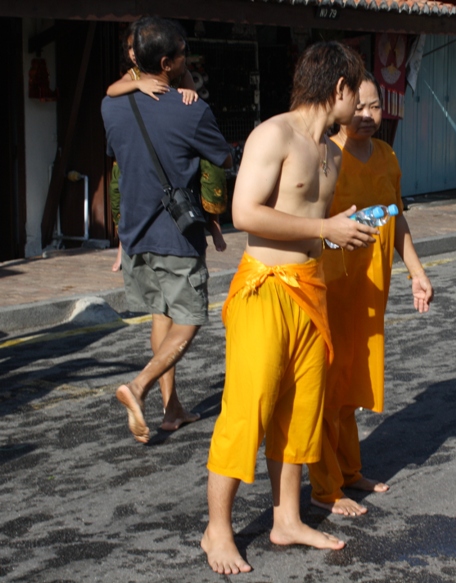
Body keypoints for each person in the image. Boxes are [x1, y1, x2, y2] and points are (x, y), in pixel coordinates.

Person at [201, 41, 374, 575]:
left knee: (301, 407)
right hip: (266, 288)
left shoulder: (333, 151)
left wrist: (340, 229)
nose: (365, 107)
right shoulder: (273, 134)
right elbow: (245, 212)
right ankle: (217, 529)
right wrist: (324, 227)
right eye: (359, 94)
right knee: (248, 407)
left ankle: (287, 519)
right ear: (339, 89)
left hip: (310, 285)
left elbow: (306, 215)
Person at [306, 73, 434, 517]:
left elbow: (396, 218)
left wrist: (416, 271)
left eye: (375, 106)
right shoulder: (324, 156)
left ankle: (347, 469)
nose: (366, 115)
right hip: (331, 289)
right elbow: (310, 225)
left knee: (352, 382)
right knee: (327, 385)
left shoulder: (387, 155)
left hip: (370, 292)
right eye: (358, 106)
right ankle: (325, 487)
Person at [102, 17, 232, 442]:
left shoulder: (112, 105)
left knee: (163, 313)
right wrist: (189, 87)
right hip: (176, 234)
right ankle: (137, 386)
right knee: (191, 318)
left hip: (137, 233)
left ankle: (171, 408)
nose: (186, 59)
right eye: (182, 55)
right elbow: (222, 158)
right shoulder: (191, 109)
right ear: (167, 62)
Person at [108, 22, 227, 273]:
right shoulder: (133, 77)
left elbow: (193, 102)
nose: (132, 52)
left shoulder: (181, 75)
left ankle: (213, 221)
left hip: (173, 147)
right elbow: (112, 90)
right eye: (129, 47)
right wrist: (138, 85)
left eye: (135, 47)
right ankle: (121, 243)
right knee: (118, 184)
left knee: (211, 165)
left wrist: (187, 94)